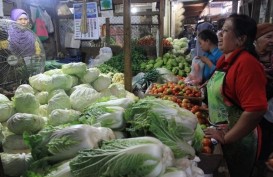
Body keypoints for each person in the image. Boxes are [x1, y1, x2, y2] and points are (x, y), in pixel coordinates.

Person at [203, 14, 268, 177]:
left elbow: (256, 110)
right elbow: (219, 86)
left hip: (239, 141)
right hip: (221, 133)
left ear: (240, 39)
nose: (219, 34)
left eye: (225, 31)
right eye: (220, 30)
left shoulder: (247, 65)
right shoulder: (225, 60)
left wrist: (227, 137)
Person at [253, 23, 273, 177]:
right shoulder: (249, 57)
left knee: (266, 146)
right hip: (251, 110)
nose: (272, 41)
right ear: (257, 39)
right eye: (269, 37)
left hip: (268, 113)